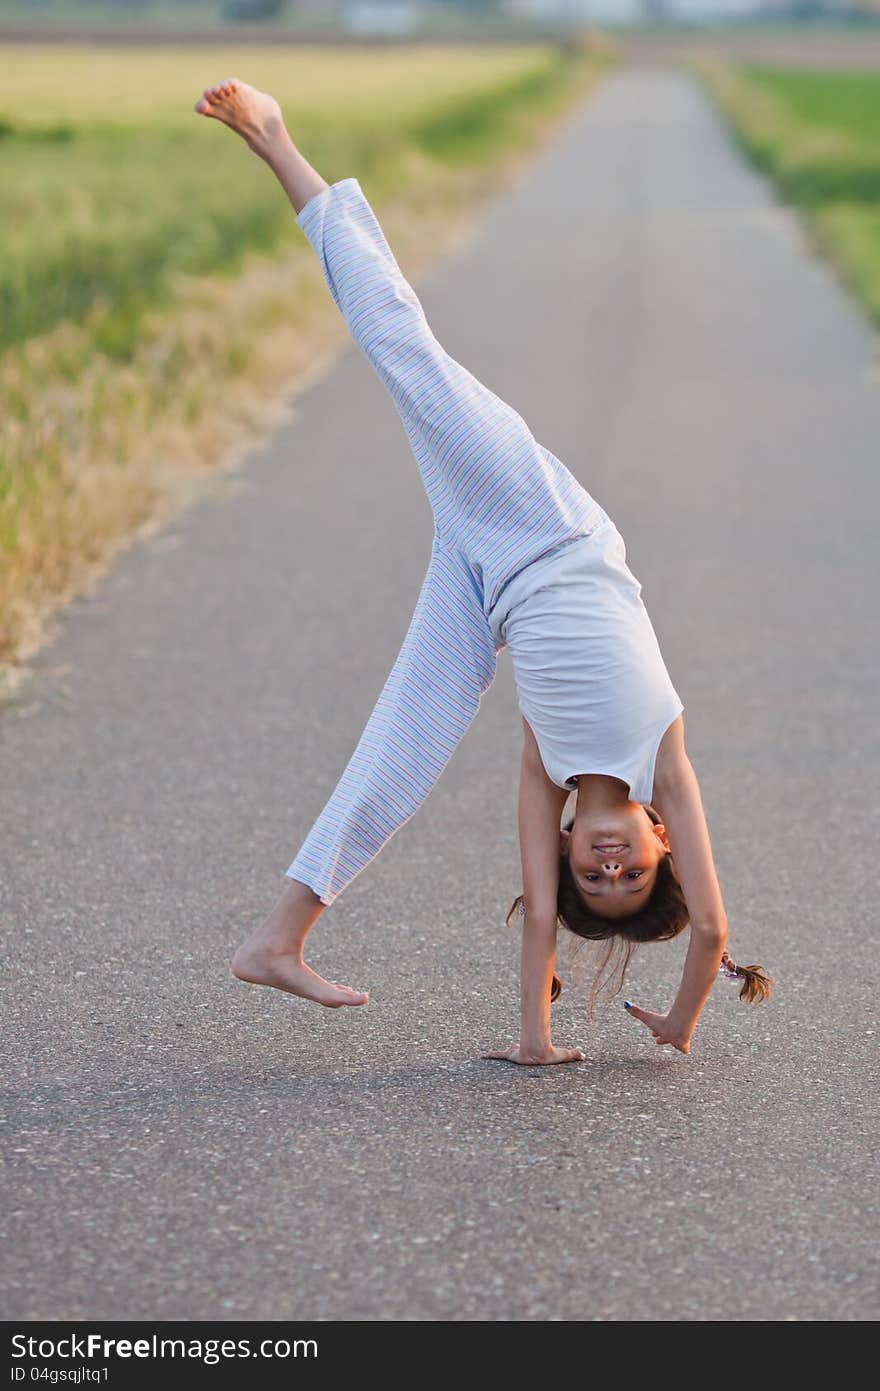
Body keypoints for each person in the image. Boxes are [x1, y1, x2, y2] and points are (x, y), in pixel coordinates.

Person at [194, 78, 771, 1065]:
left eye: (598, 883)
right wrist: (680, 1018)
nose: (607, 867)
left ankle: (276, 936)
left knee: (399, 752)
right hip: (539, 523)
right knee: (403, 347)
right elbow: (713, 931)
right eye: (629, 873)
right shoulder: (662, 763)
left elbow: (539, 919)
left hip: (485, 581)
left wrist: (536, 1044)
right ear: (658, 841)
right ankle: (277, 142)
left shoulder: (543, 773)